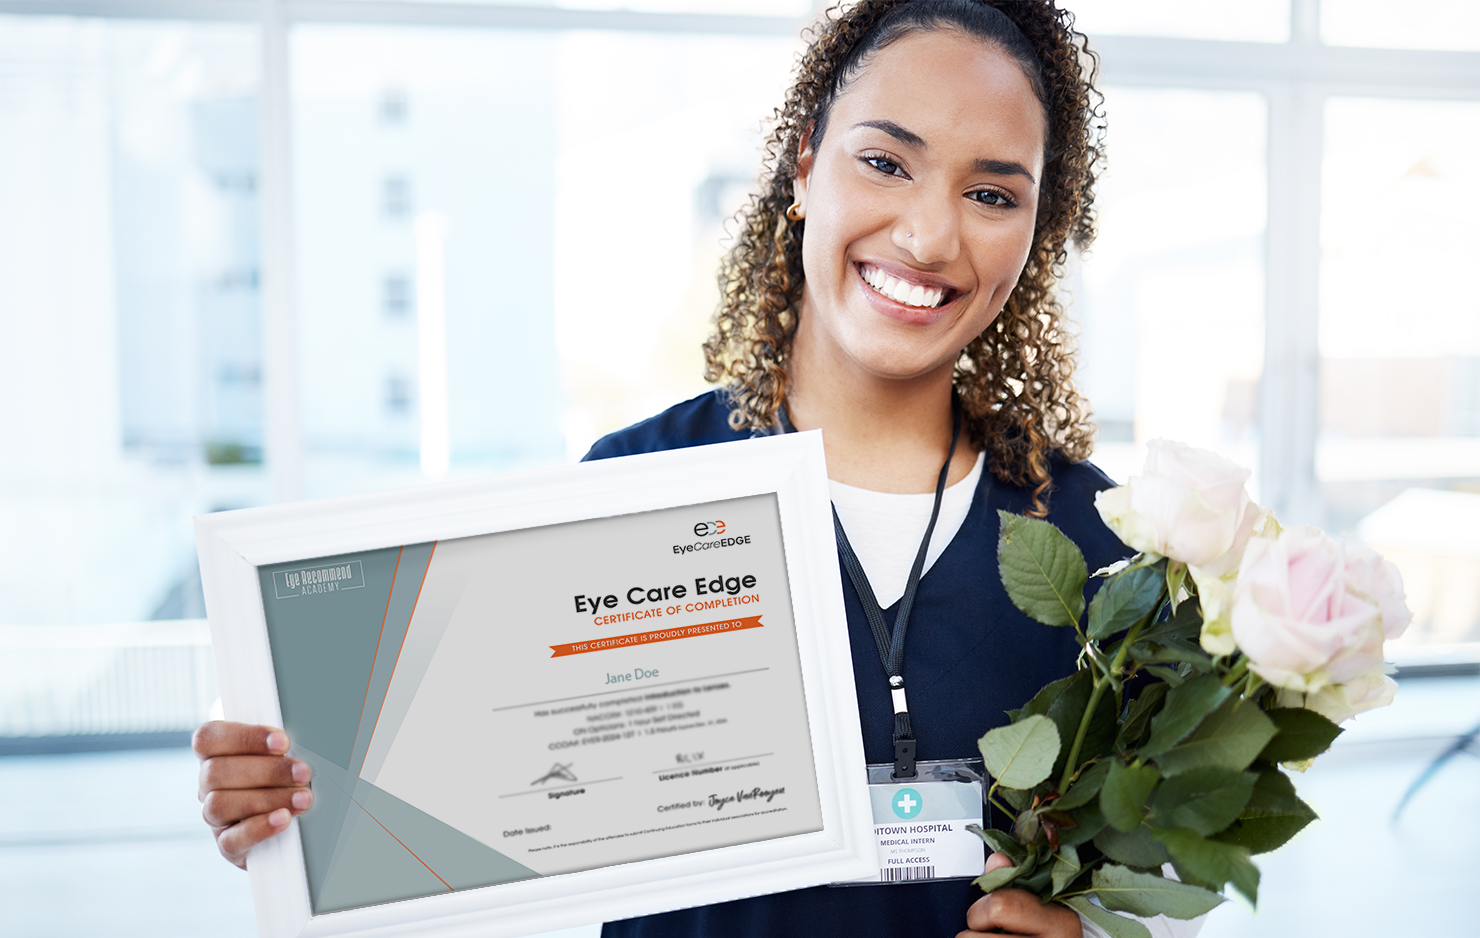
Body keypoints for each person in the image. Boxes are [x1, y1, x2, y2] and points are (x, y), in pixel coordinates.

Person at [195, 2, 1199, 936]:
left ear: (1037, 232)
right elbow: (489, 772)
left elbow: (1138, 868)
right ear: (804, 167)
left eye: (989, 193)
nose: (929, 233)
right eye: (886, 162)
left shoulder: (1100, 546)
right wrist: (301, 802)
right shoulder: (633, 484)